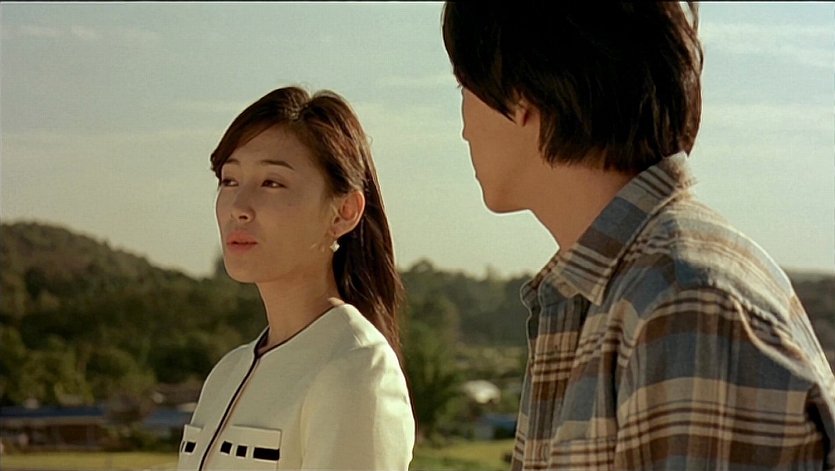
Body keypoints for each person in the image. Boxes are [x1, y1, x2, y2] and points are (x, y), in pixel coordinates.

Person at [441, 2, 835, 470]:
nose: (463, 129)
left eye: (464, 86)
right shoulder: (605, 294)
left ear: (520, 96)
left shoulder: (684, 305)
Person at [177, 86, 415, 470]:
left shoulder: (356, 367)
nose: (239, 207)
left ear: (344, 212)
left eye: (272, 182)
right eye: (229, 180)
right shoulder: (226, 373)